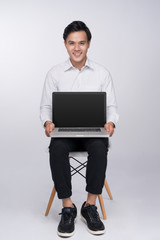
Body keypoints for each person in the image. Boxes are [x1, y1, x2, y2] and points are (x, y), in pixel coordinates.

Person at [40, 21, 119, 237]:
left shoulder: (102, 73)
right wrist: (47, 123)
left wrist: (111, 122)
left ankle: (89, 207)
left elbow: (111, 106)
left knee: (100, 147)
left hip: (92, 133)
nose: (77, 48)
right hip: (64, 133)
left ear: (89, 44)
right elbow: (46, 107)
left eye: (81, 43)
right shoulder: (54, 73)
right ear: (65, 45)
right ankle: (68, 208)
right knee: (56, 148)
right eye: (72, 43)